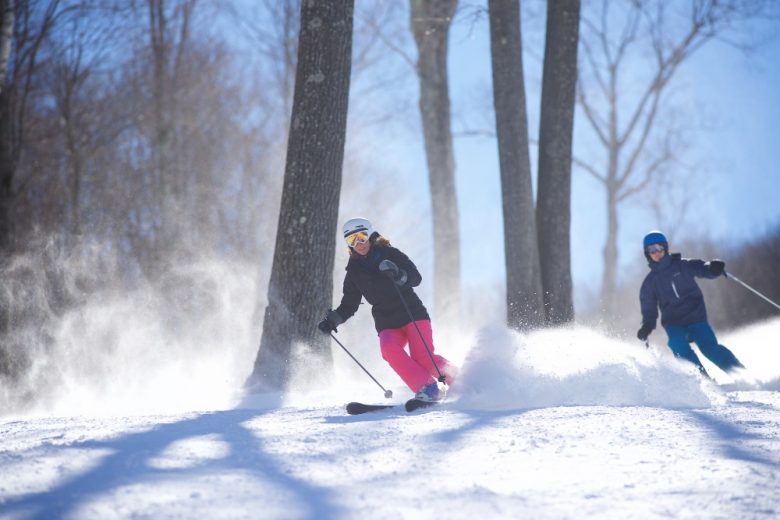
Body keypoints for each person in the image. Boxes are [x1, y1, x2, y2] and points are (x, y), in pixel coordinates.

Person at [318, 217, 458, 401]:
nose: (358, 243)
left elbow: (416, 278)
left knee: (422, 357)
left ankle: (461, 381)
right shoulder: (354, 271)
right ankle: (427, 388)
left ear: (370, 235)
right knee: (389, 350)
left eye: (361, 236)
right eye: (352, 240)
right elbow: (349, 304)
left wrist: (399, 275)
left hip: (412, 313)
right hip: (386, 321)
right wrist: (333, 320)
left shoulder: (390, 253)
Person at [637, 230, 745, 377]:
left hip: (696, 316)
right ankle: (701, 381)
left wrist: (713, 268)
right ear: (647, 254)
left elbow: (702, 268)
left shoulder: (682, 265)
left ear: (665, 248)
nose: (656, 252)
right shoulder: (650, 283)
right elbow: (648, 307)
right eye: (651, 250)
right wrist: (647, 325)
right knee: (677, 345)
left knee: (709, 348)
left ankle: (739, 373)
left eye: (659, 247)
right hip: (673, 322)